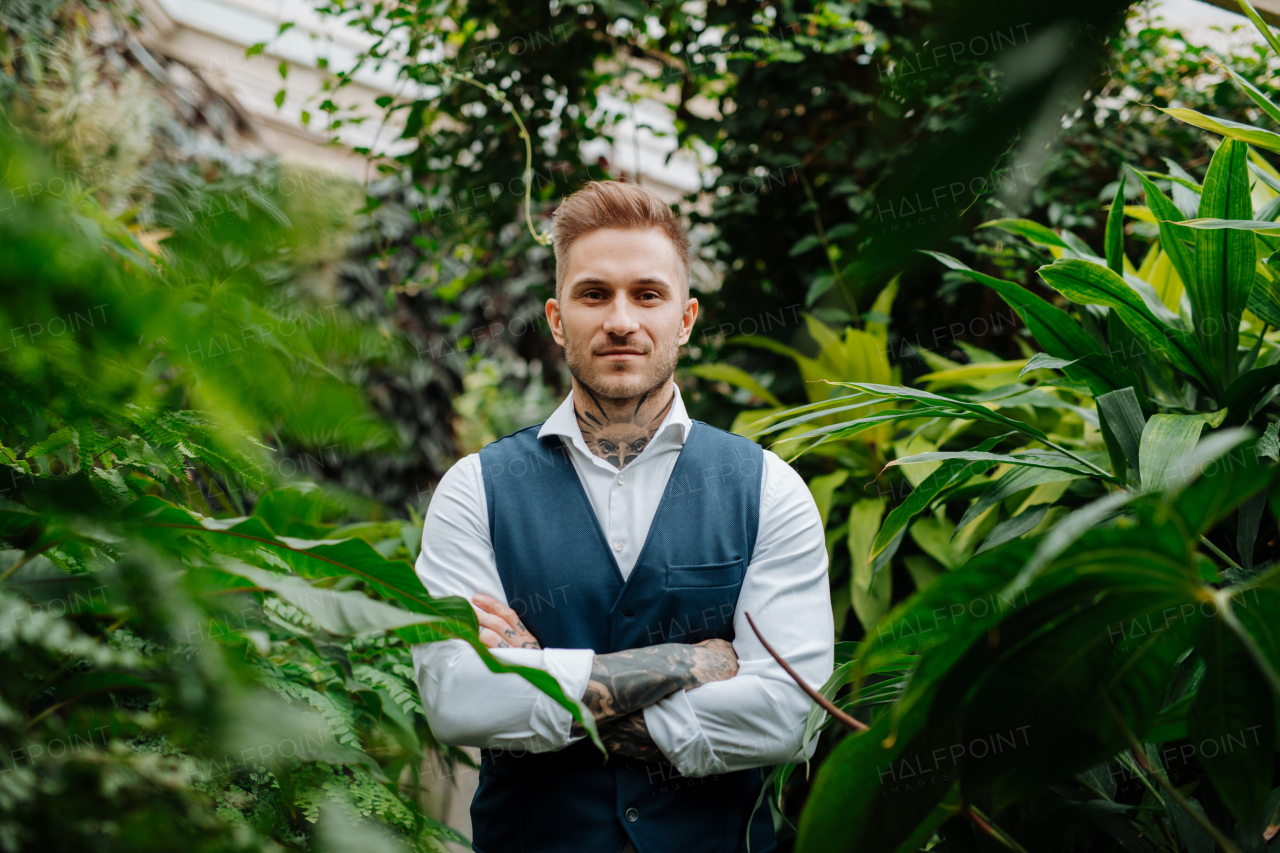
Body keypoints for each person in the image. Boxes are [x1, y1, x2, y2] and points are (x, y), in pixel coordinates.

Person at [411, 180, 834, 853]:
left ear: (686, 318)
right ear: (556, 318)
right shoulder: (475, 491)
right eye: (594, 293)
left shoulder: (768, 490)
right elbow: (456, 698)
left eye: (647, 294)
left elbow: (786, 713)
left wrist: (539, 673)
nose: (620, 320)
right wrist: (685, 661)